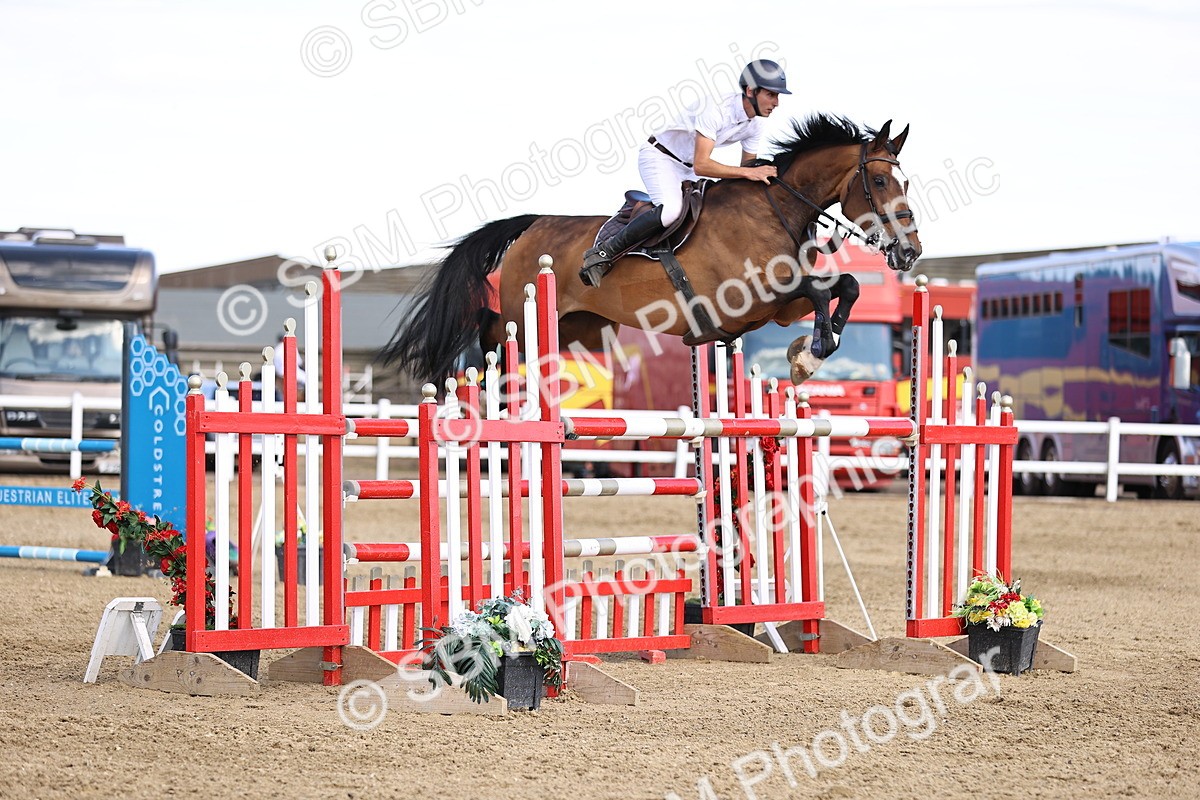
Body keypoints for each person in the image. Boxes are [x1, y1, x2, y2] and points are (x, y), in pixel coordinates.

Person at [579, 59, 791, 288]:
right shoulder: (717, 109)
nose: (776, 103)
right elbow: (703, 165)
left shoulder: (755, 124)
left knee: (710, 210)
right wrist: (749, 174)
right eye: (771, 95)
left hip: (687, 165)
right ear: (750, 90)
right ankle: (602, 254)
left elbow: (748, 170)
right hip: (660, 157)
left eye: (777, 96)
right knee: (671, 212)